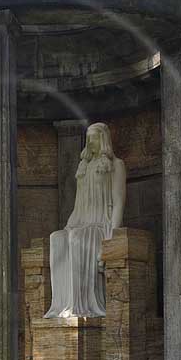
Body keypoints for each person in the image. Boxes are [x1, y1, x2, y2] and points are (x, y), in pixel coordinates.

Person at [46, 122, 126, 318]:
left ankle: (81, 305)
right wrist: (69, 226)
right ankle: (62, 305)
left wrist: (111, 239)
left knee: (76, 239)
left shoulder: (116, 165)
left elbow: (118, 203)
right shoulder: (84, 167)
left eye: (94, 137)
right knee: (56, 238)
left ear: (104, 139)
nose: (90, 142)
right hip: (81, 222)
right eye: (88, 138)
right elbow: (77, 205)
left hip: (101, 226)